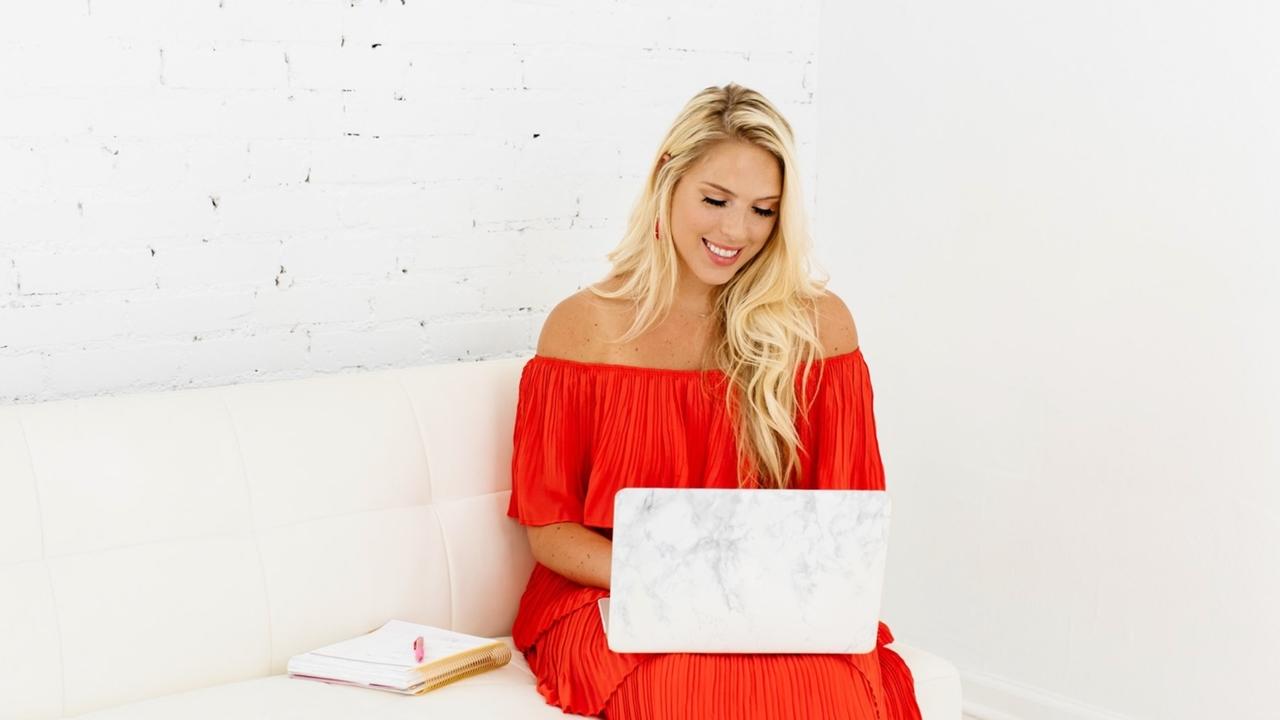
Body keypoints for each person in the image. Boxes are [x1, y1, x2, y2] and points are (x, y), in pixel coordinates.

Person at [505, 83, 922, 720]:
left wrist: (753, 592)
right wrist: (691, 581)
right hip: (618, 591)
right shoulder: (585, 326)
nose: (735, 230)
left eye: (763, 210)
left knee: (830, 696)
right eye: (715, 200)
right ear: (667, 179)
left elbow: (847, 521)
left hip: (774, 602)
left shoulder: (820, 328)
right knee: (684, 696)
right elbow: (551, 531)